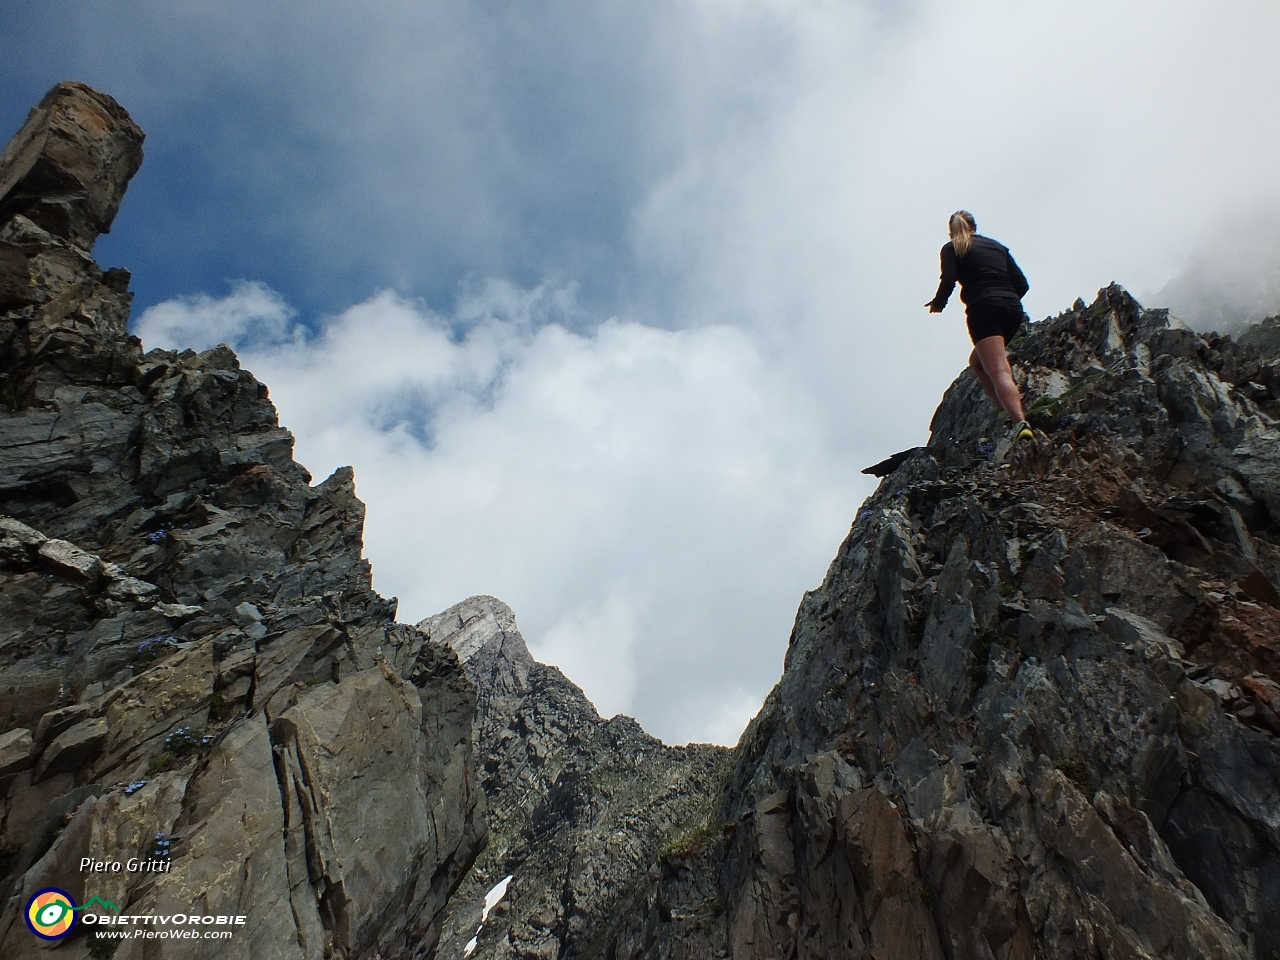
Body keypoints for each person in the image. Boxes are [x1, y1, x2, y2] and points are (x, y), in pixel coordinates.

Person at [926, 210, 1034, 442]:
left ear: (952, 230)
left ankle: (1019, 422)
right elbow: (1022, 284)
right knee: (977, 362)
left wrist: (938, 303)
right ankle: (1007, 412)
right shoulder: (997, 247)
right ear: (975, 227)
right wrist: (1006, 298)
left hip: (983, 309)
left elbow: (948, 279)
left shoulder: (952, 247)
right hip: (1013, 309)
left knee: (997, 369)